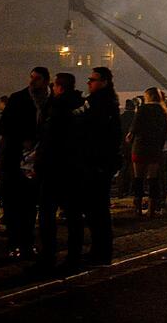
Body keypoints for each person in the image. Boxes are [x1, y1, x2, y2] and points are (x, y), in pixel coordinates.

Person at [71, 67, 122, 266]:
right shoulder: (107, 102)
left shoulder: (99, 104)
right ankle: (100, 250)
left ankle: (100, 252)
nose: (89, 82)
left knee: (96, 210)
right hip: (101, 162)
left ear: (104, 82)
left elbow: (93, 131)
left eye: (93, 79)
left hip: (96, 162)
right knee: (97, 209)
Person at [33, 72, 83, 274]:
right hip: (74, 167)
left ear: (59, 87)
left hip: (54, 167)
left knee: (46, 214)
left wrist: (38, 163)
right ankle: (74, 256)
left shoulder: (57, 109)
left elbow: (49, 139)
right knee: (73, 215)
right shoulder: (81, 106)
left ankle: (48, 256)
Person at [0, 67, 49, 257]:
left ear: (45, 81)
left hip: (37, 159)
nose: (32, 81)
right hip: (17, 158)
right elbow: (5, 127)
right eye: (31, 77)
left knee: (29, 204)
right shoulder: (18, 98)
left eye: (37, 79)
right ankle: (15, 243)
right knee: (15, 204)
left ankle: (26, 242)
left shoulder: (50, 101)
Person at [127, 87, 167, 218]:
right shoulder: (164, 111)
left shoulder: (143, 109)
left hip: (140, 146)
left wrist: (130, 136)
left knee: (138, 178)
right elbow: (165, 132)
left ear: (148, 96)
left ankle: (138, 207)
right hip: (155, 148)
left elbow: (135, 127)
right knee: (153, 179)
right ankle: (151, 209)